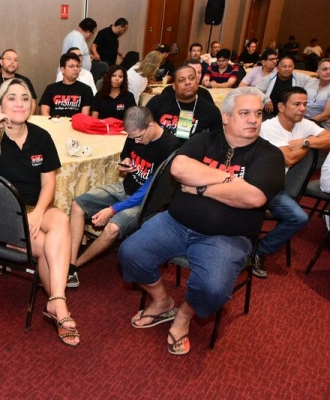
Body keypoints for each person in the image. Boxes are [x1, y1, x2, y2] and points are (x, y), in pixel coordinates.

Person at [119, 87, 285, 355]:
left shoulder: (269, 155)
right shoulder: (206, 139)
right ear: (226, 116)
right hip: (175, 223)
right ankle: (162, 301)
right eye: (244, 113)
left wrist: (200, 188)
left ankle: (184, 315)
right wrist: (231, 180)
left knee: (212, 289)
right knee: (129, 253)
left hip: (228, 237)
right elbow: (179, 168)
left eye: (257, 113)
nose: (253, 119)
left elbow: (253, 197)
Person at [0, 78, 80, 347]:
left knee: (61, 220)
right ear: (0, 105)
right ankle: (60, 307)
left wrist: (37, 213)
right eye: (11, 98)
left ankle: (56, 301)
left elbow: (48, 184)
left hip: (34, 208)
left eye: (25, 98)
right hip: (2, 217)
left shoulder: (41, 136)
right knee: (48, 247)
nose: (20, 103)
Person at [68, 106, 180, 287]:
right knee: (77, 204)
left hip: (145, 200)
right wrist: (125, 163)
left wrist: (112, 209)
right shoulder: (134, 135)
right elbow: (125, 157)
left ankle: (76, 266)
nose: (136, 141)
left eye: (139, 137)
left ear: (151, 126)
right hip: (125, 186)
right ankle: (70, 265)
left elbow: (147, 190)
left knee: (111, 228)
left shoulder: (170, 146)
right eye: (132, 137)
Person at [253, 86, 330, 278]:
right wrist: (311, 142)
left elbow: (329, 138)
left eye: (304, 104)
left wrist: (306, 142)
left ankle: (259, 250)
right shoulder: (269, 128)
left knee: (299, 218)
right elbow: (289, 159)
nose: (303, 109)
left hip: (277, 187)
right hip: (258, 184)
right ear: (281, 107)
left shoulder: (304, 124)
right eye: (296, 104)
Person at [147, 65, 223, 140]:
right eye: (181, 80)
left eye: (191, 78)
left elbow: (217, 141)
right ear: (174, 86)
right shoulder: (158, 102)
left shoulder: (211, 111)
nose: (187, 82)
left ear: (197, 81)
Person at [0, 49, 37, 115]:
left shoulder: (24, 81)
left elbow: (33, 103)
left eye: (15, 60)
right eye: (9, 59)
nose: (12, 62)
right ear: (1, 62)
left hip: (20, 117)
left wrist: (26, 118)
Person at [40, 53, 93, 117]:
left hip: (75, 123)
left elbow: (85, 115)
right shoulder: (51, 88)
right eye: (71, 66)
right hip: (53, 122)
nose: (76, 69)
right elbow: (44, 112)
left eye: (77, 66)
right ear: (62, 69)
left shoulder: (86, 90)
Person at [305, 58, 330, 130]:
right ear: (317, 72)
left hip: (321, 125)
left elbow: (326, 115)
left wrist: (305, 124)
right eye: (324, 69)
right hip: (302, 119)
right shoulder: (310, 83)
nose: (328, 72)